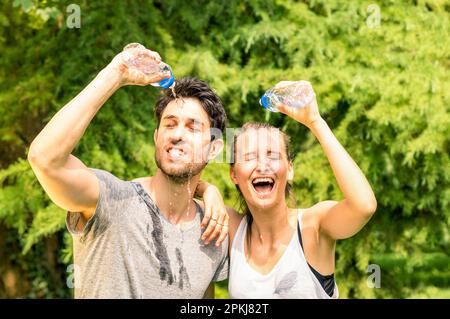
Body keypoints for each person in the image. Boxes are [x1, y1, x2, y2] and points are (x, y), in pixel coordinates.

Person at [27, 44, 230, 298]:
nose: (177, 135)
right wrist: (116, 74)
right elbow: (44, 159)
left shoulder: (214, 231)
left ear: (214, 149)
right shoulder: (111, 199)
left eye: (192, 128)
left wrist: (209, 189)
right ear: (157, 137)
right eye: (170, 124)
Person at [198, 81, 377, 298]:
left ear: (289, 169)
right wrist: (207, 189)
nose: (262, 165)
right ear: (234, 174)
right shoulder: (233, 228)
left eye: (272, 155)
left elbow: (364, 206)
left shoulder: (313, 226)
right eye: (250, 157)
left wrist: (315, 122)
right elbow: (176, 195)